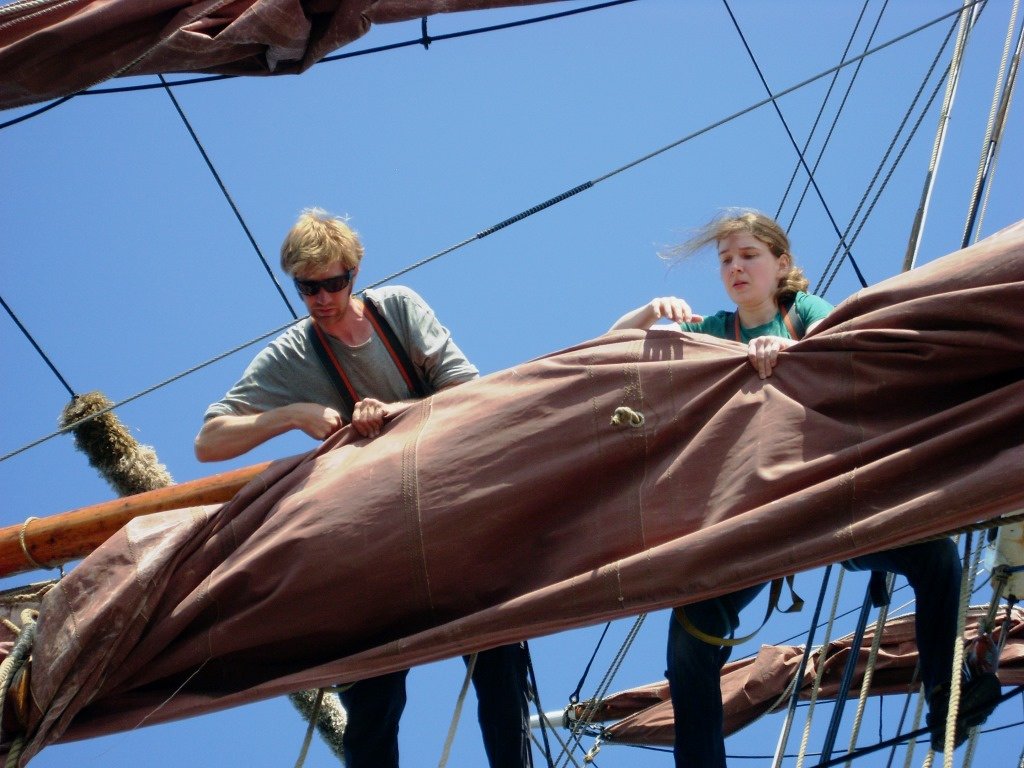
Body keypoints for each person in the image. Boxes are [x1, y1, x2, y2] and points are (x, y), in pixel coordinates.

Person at [609, 209, 998, 765]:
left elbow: (844, 344)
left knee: (935, 560)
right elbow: (609, 355)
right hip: (751, 517)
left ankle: (946, 696)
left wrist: (790, 355)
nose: (735, 268)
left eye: (749, 256)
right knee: (689, 647)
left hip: (826, 503)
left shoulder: (801, 313)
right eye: (725, 260)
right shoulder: (716, 332)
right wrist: (649, 312)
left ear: (781, 264)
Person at [195, 207, 533, 768]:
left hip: (447, 515)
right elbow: (210, 441)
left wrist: (392, 413)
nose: (324, 298)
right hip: (375, 540)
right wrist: (292, 414)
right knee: (372, 694)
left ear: (355, 272)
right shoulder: (292, 354)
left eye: (334, 283)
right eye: (309, 288)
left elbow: (471, 393)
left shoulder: (397, 310)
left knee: (500, 658)